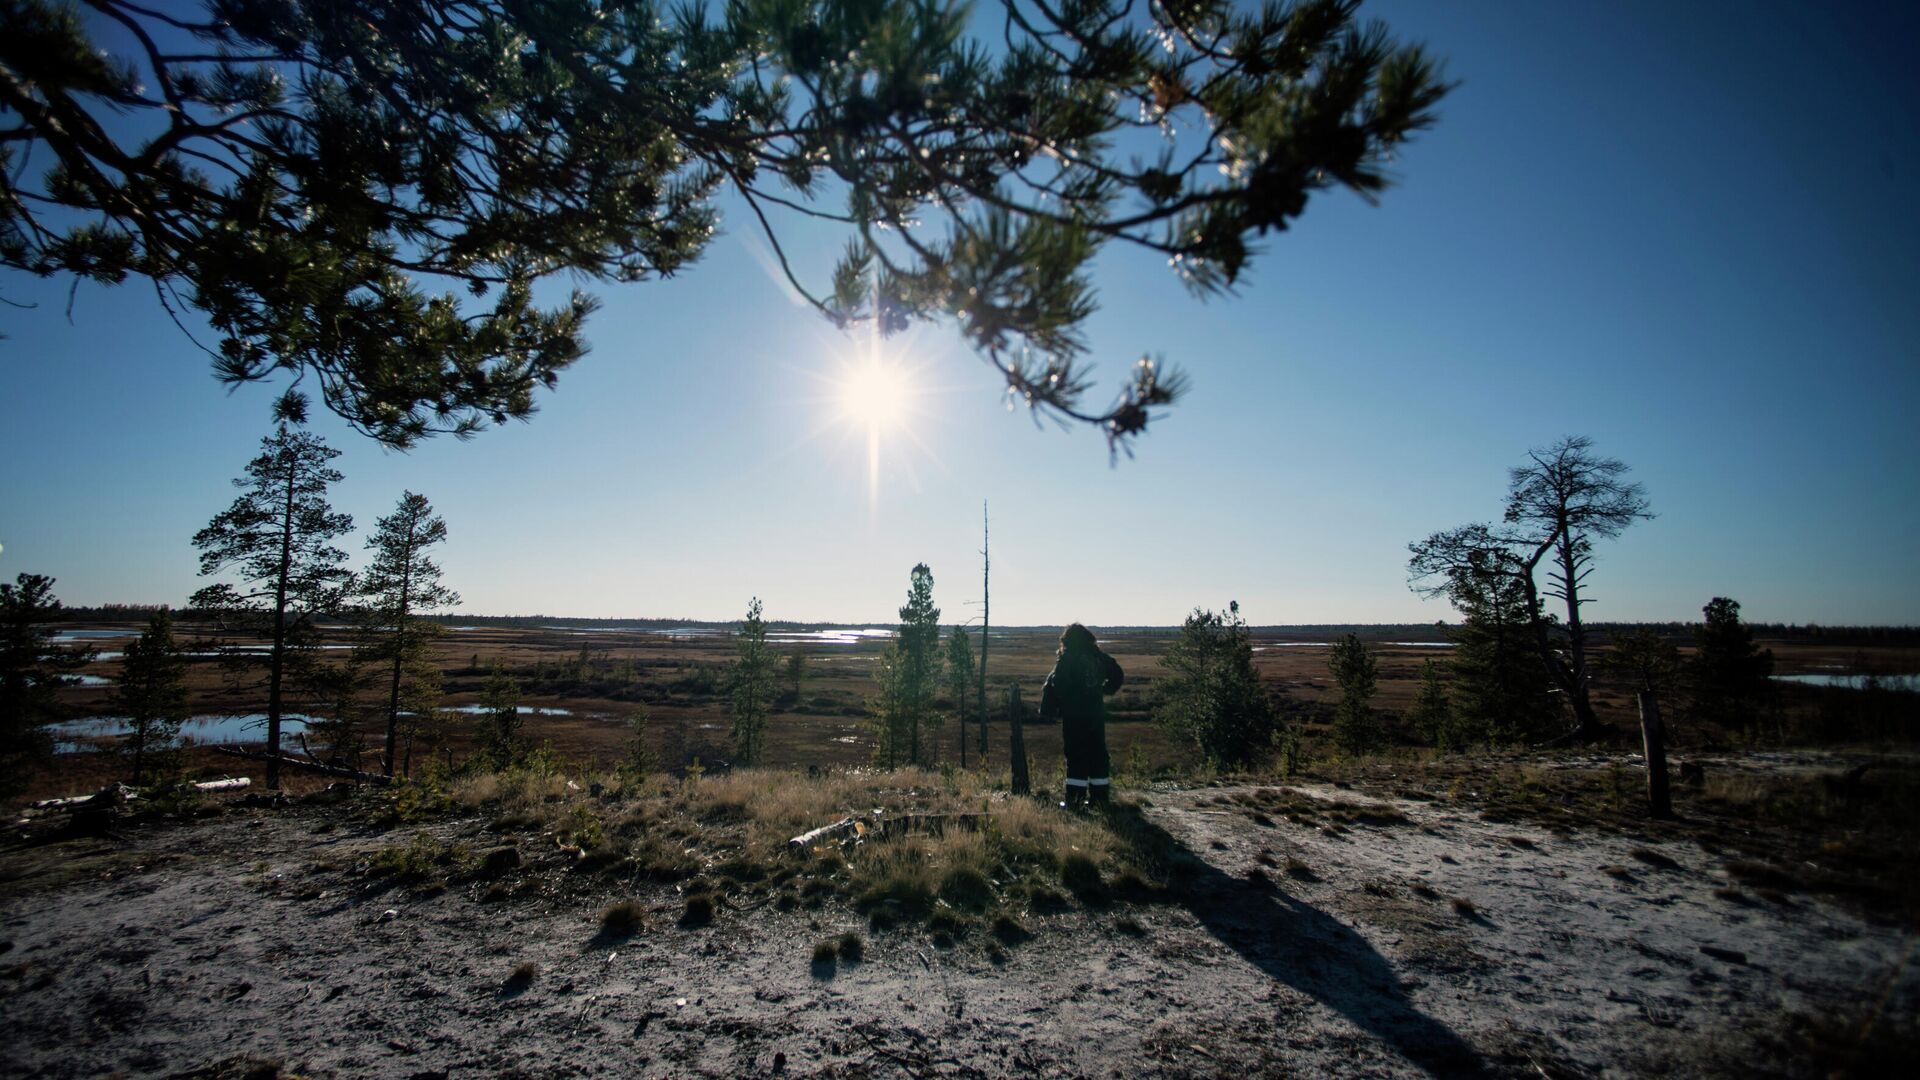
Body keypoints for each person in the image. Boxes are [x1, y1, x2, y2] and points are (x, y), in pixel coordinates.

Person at [1039, 623, 1124, 809]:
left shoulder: (1068, 658)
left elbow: (1058, 683)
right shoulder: (1098, 657)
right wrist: (1103, 690)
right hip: (1096, 714)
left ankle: (1074, 801)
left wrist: (1065, 702)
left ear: (1067, 640)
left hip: (1075, 716)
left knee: (1076, 755)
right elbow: (1117, 675)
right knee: (1098, 755)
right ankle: (1100, 800)